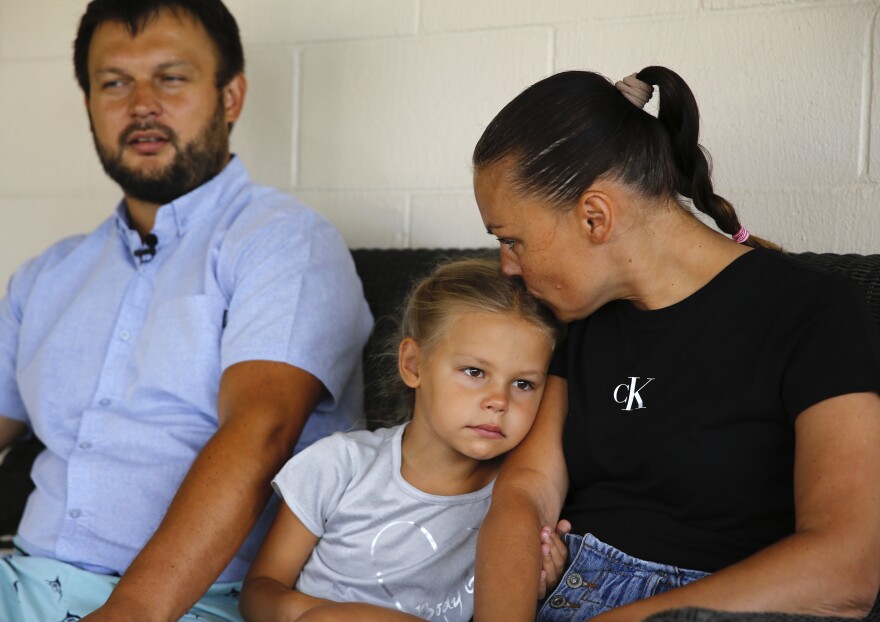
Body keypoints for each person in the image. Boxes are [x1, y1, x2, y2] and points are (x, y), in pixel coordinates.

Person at [0, 1, 372, 620]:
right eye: (113, 82)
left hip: (191, 604)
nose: (141, 103)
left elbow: (263, 433)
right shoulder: (46, 276)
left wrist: (132, 612)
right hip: (24, 581)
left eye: (170, 77)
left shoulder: (285, 243)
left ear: (231, 96)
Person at [470, 67, 880, 620]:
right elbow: (525, 491)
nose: (507, 268)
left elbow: (847, 567)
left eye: (511, 240)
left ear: (595, 216)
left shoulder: (814, 310)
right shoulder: (581, 316)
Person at [239, 258, 565, 622]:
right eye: (474, 372)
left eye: (523, 384)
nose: (499, 401)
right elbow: (259, 590)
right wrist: (327, 617)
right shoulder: (340, 464)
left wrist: (545, 579)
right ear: (413, 364)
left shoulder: (518, 501)